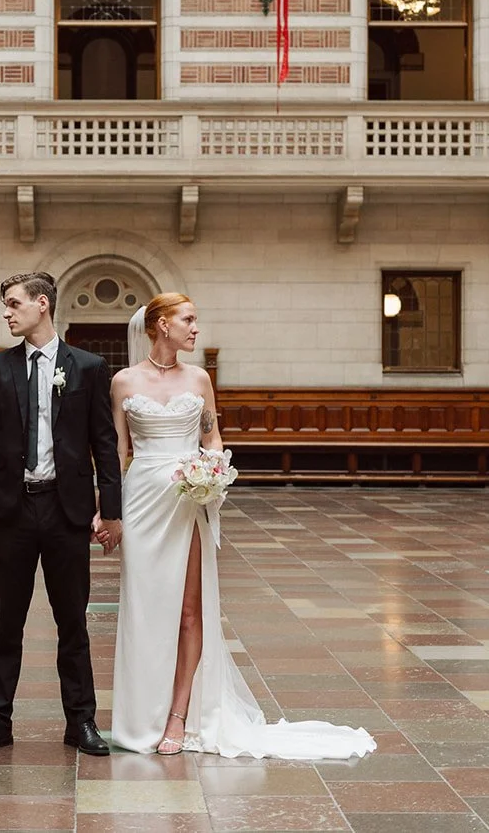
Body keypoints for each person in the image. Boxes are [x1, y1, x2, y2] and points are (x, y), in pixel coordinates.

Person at [109, 292, 377, 759]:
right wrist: (106, 507)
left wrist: (209, 475)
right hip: (142, 502)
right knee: (143, 610)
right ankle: (140, 715)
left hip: (187, 501)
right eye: (188, 320)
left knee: (189, 610)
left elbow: (211, 435)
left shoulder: (199, 379)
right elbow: (118, 450)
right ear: (161, 325)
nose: (196, 329)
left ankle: (179, 714)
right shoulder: (122, 382)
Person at [0, 271, 123, 757]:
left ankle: (82, 722)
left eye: (13, 304)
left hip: (66, 511)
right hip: (12, 512)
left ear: (42, 304)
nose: (7, 313)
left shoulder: (89, 367)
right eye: (4, 306)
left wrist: (111, 512)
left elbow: (104, 443)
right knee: (7, 623)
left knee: (72, 621)